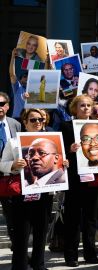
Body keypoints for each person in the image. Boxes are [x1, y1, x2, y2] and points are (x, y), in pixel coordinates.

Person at [0, 108, 56, 270]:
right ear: (24, 122)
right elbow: (2, 164)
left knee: (41, 233)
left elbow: (56, 165)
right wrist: (13, 165)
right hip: (22, 194)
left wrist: (64, 164)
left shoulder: (52, 141)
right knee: (21, 235)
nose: (38, 122)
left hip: (44, 193)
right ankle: (20, 266)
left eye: (40, 120)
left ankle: (39, 264)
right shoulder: (14, 142)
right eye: (33, 120)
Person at [62, 95, 98, 267]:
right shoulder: (66, 126)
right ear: (75, 109)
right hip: (74, 178)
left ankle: (90, 253)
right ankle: (71, 256)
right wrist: (69, 150)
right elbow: (58, 152)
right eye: (82, 106)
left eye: (88, 105)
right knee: (73, 218)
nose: (85, 108)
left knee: (91, 219)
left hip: (93, 178)